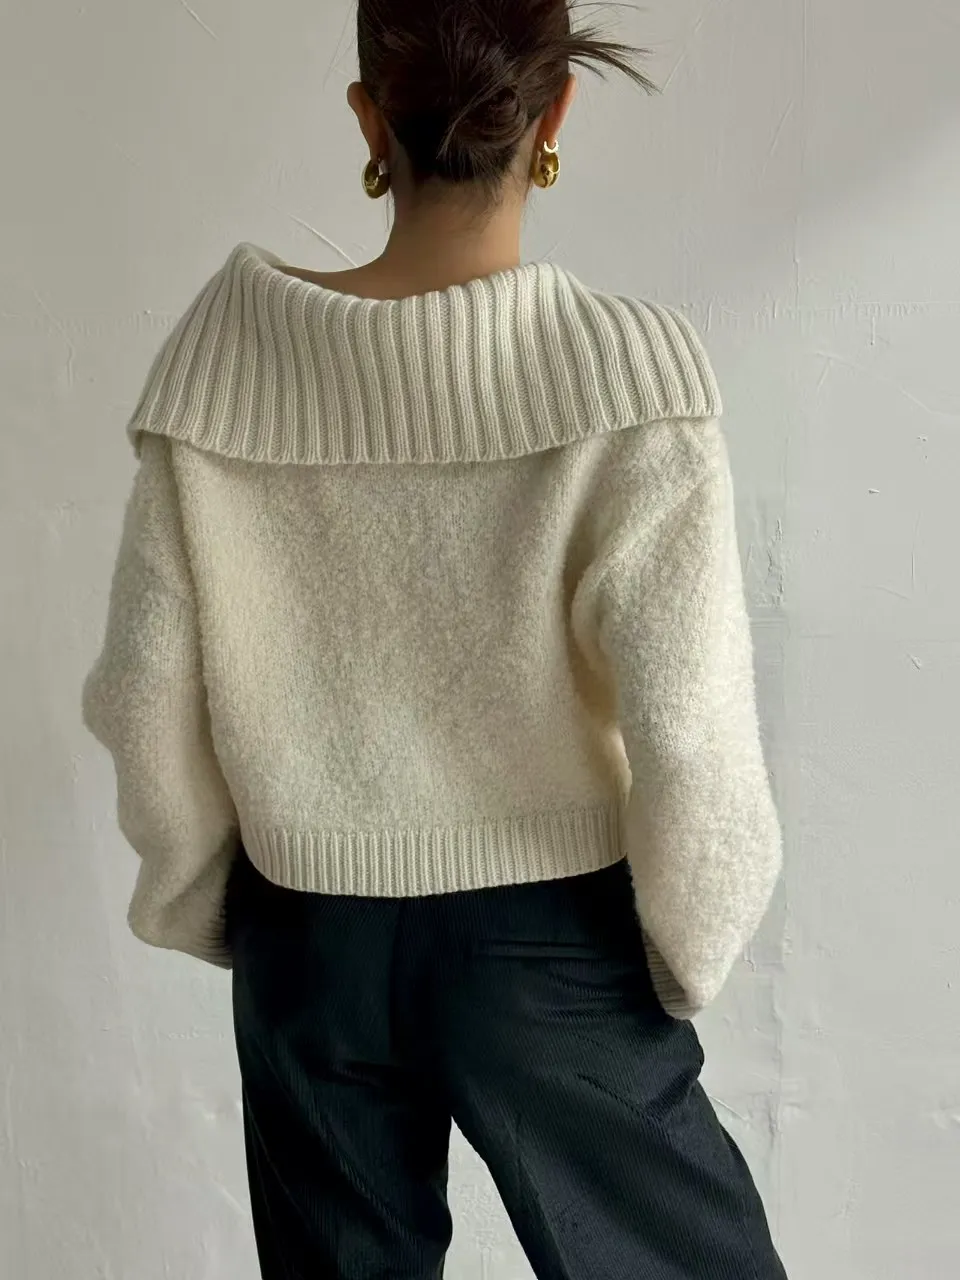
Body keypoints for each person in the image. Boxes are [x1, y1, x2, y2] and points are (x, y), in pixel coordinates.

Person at [83, 1, 788, 1276]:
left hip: (308, 930)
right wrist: (685, 944)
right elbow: (691, 720)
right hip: (551, 937)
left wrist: (217, 900)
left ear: (371, 118)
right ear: (555, 110)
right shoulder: (628, 374)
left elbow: (144, 690)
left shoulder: (224, 359)